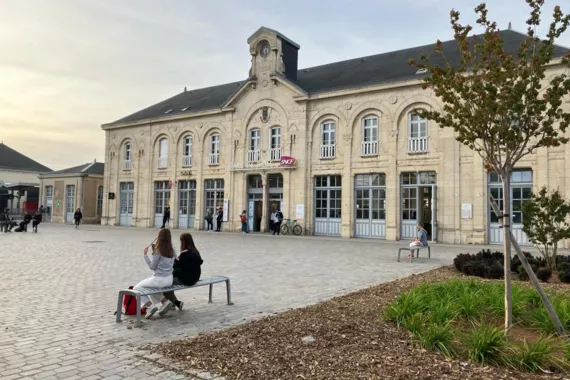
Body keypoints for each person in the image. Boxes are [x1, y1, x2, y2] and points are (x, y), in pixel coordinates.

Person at [134, 228, 176, 319]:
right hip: (169, 279)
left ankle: (150, 306)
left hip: (159, 279)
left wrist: (145, 255)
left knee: (137, 288)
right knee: (151, 288)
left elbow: (152, 267)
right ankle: (165, 302)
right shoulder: (172, 249)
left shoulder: (158, 251)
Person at [159, 233, 203, 315]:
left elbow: (175, 265)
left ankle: (174, 303)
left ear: (183, 242)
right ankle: (175, 303)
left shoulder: (184, 254)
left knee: (165, 282)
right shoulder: (195, 252)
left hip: (187, 279)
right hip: (195, 277)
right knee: (168, 280)